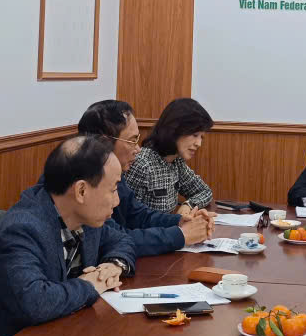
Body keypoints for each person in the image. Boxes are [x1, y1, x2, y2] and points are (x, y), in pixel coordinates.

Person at [0, 135, 137, 336]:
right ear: (81, 191)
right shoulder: (22, 229)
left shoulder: (83, 216)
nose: (117, 201)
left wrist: (114, 265)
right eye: (113, 189)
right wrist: (90, 285)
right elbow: (35, 302)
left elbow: (121, 239)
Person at [77, 99, 215, 255]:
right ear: (104, 143)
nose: (138, 149)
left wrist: (180, 221)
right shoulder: (88, 182)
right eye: (132, 140)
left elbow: (138, 215)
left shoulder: (115, 173)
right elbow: (116, 238)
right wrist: (181, 235)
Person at [122, 97, 215, 214]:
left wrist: (188, 205)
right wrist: (175, 222)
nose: (199, 143)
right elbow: (127, 216)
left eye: (202, 137)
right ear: (175, 129)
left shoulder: (177, 161)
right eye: (195, 135)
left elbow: (205, 191)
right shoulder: (142, 164)